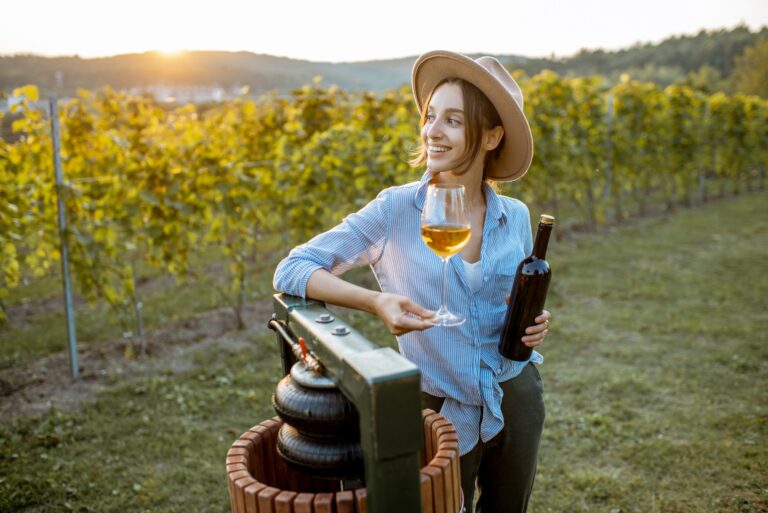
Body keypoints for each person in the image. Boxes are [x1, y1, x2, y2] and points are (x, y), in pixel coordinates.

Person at [273, 50, 551, 512]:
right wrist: (374, 302)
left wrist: (533, 321)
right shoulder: (396, 209)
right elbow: (293, 268)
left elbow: (514, 298)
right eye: (430, 116)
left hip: (515, 393)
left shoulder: (515, 215)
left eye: (453, 120)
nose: (432, 130)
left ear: (491, 136)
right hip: (437, 405)